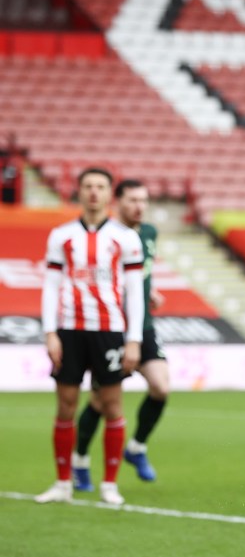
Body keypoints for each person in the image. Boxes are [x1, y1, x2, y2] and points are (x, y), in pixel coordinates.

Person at [35, 167, 145, 506]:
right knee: (65, 405)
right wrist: (50, 332)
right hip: (69, 330)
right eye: (87, 186)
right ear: (78, 192)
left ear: (109, 193)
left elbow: (134, 292)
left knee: (112, 405)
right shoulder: (61, 235)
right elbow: (51, 286)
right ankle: (62, 482)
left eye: (100, 186)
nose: (93, 192)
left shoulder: (125, 237)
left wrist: (133, 339)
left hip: (109, 330)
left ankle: (109, 484)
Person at [71, 178, 170, 489]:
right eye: (132, 201)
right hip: (112, 328)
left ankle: (136, 448)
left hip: (144, 326)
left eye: (144, 200)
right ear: (118, 202)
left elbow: (139, 274)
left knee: (161, 387)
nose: (139, 207)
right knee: (102, 401)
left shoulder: (150, 233)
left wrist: (149, 292)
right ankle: (80, 460)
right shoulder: (107, 236)